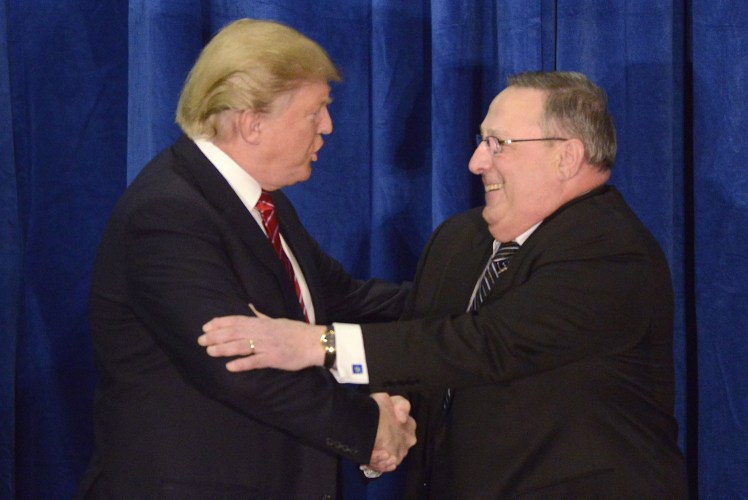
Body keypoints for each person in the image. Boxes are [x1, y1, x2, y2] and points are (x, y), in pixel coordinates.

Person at [198, 71, 689, 498]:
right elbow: (427, 350)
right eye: (481, 141)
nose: (477, 162)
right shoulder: (461, 239)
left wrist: (318, 344)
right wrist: (381, 426)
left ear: (567, 156)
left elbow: (485, 345)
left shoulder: (609, 250)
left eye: (499, 144)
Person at [76, 18, 416, 499]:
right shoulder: (167, 214)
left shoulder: (262, 204)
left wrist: (464, 309)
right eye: (315, 111)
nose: (329, 127)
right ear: (252, 123)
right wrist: (370, 428)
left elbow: (343, 301)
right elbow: (243, 366)